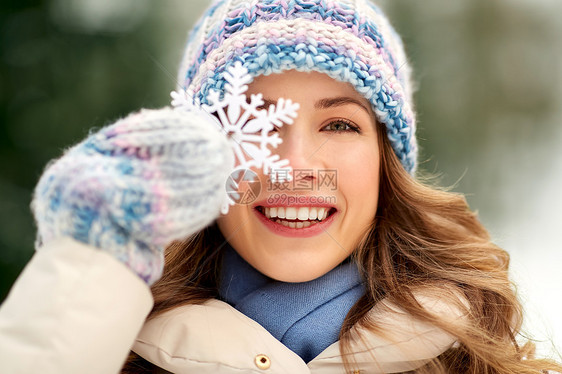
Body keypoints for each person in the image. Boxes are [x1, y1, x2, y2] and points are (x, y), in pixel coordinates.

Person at [0, 0, 560, 373]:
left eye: (339, 124)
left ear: (386, 162)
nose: (294, 166)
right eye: (259, 123)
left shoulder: (481, 360)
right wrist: (91, 266)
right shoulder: (109, 348)